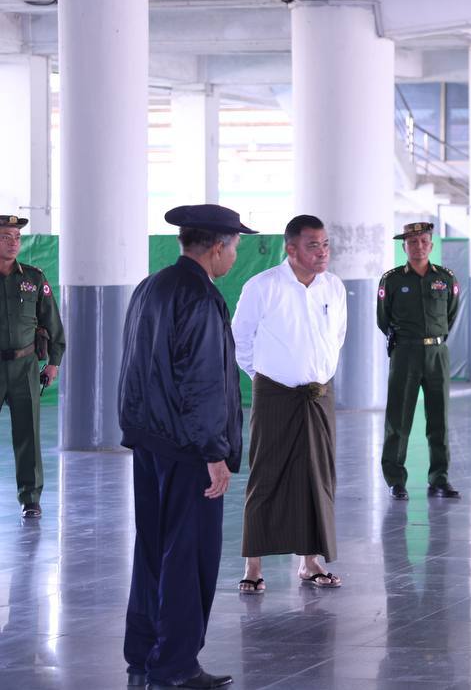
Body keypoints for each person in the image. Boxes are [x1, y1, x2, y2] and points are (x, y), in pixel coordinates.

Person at [119, 204, 255, 689]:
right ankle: (176, 663)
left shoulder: (151, 286)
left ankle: (143, 652)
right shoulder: (200, 297)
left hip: (150, 440)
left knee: (153, 548)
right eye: (234, 246)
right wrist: (214, 453)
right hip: (187, 448)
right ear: (217, 247)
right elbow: (202, 383)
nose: (235, 255)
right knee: (188, 555)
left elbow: (134, 365)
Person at [233, 215, 347, 593]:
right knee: (266, 476)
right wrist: (264, 377)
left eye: (325, 244)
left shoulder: (333, 287)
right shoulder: (263, 286)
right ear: (291, 249)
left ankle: (310, 561)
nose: (323, 252)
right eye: (313, 245)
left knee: (318, 477)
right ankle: (253, 565)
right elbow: (241, 340)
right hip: (275, 393)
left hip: (319, 395)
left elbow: (337, 337)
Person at [377, 221, 461, 500]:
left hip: (437, 354)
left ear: (431, 245)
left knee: (439, 420)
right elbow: (383, 318)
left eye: (424, 241)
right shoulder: (391, 280)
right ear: (404, 247)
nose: (419, 246)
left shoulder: (446, 278)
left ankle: (439, 479)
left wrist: (434, 338)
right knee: (398, 419)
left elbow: (451, 314)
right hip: (405, 354)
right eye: (412, 242)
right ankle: (395, 480)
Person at [0, 214, 64, 518]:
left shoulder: (34, 279)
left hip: (25, 366)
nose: (13, 243)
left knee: (28, 434)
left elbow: (53, 323)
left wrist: (53, 362)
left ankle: (31, 498)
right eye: (5, 237)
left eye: (17, 238)